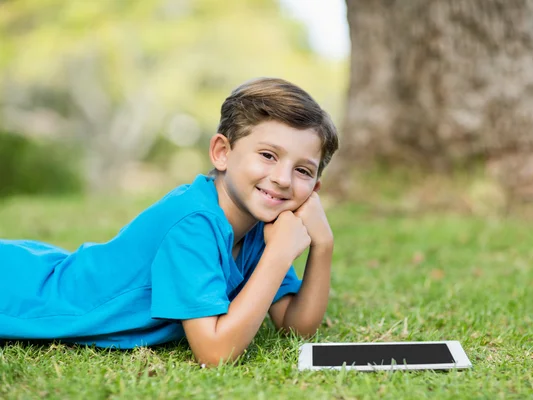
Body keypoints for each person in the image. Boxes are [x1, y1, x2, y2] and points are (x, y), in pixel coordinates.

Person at [0, 77, 339, 367]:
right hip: (19, 292)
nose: (282, 178)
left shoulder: (261, 226)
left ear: (315, 189)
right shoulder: (194, 221)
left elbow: (294, 328)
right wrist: (279, 255)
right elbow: (216, 353)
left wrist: (323, 246)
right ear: (222, 152)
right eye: (268, 155)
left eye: (303, 170)